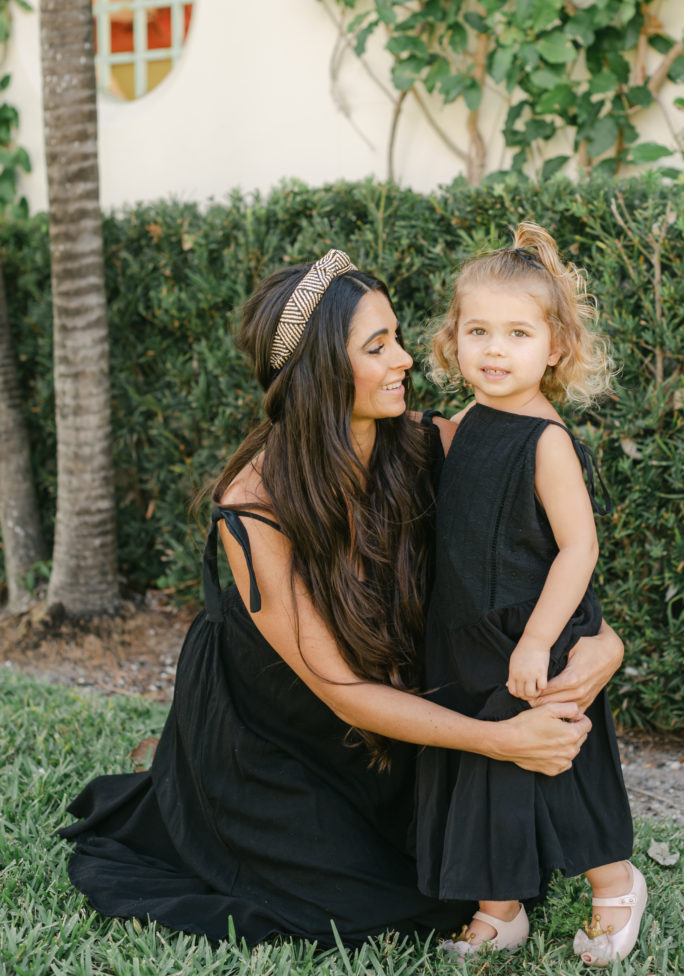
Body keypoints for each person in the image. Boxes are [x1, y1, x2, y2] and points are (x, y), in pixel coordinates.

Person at [59, 250, 622, 948]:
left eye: (397, 339)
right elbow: (341, 690)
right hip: (275, 737)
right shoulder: (253, 507)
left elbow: (537, 561)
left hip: (397, 726)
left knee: (462, 879)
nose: (409, 360)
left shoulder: (432, 443)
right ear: (322, 368)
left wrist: (605, 644)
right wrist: (502, 741)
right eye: (378, 346)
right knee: (368, 911)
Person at [414, 224, 645, 966]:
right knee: (486, 774)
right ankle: (500, 907)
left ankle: (614, 884)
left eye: (517, 333)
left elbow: (579, 546)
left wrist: (541, 638)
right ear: (454, 340)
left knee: (565, 771)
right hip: (474, 635)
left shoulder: (544, 440)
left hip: (536, 631)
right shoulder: (467, 425)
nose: (494, 349)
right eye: (478, 330)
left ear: (554, 348)